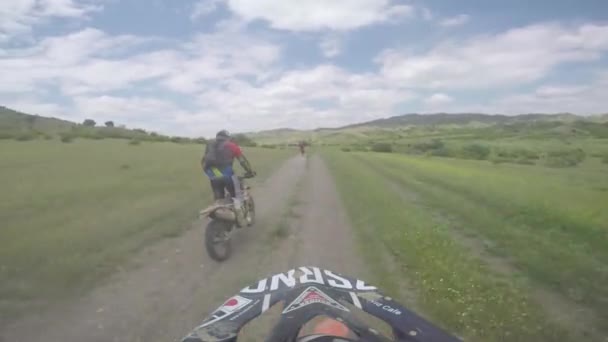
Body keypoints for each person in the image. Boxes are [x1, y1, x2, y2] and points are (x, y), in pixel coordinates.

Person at [201, 130, 255, 205]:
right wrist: (250, 171)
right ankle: (238, 210)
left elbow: (204, 161)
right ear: (228, 138)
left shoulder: (211, 145)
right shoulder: (232, 145)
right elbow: (242, 161)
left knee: (218, 198)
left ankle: (219, 207)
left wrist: (209, 174)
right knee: (237, 197)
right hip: (227, 173)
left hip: (213, 174)